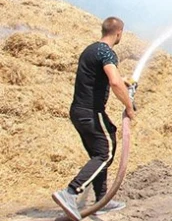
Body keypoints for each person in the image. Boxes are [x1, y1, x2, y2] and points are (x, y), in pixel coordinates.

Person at [52, 17, 136, 221]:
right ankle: (70, 193)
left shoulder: (91, 50)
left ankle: (101, 199)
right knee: (105, 155)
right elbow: (115, 83)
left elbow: (104, 76)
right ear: (119, 33)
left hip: (79, 111)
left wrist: (122, 79)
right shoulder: (107, 52)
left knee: (100, 153)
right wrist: (129, 107)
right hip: (91, 112)